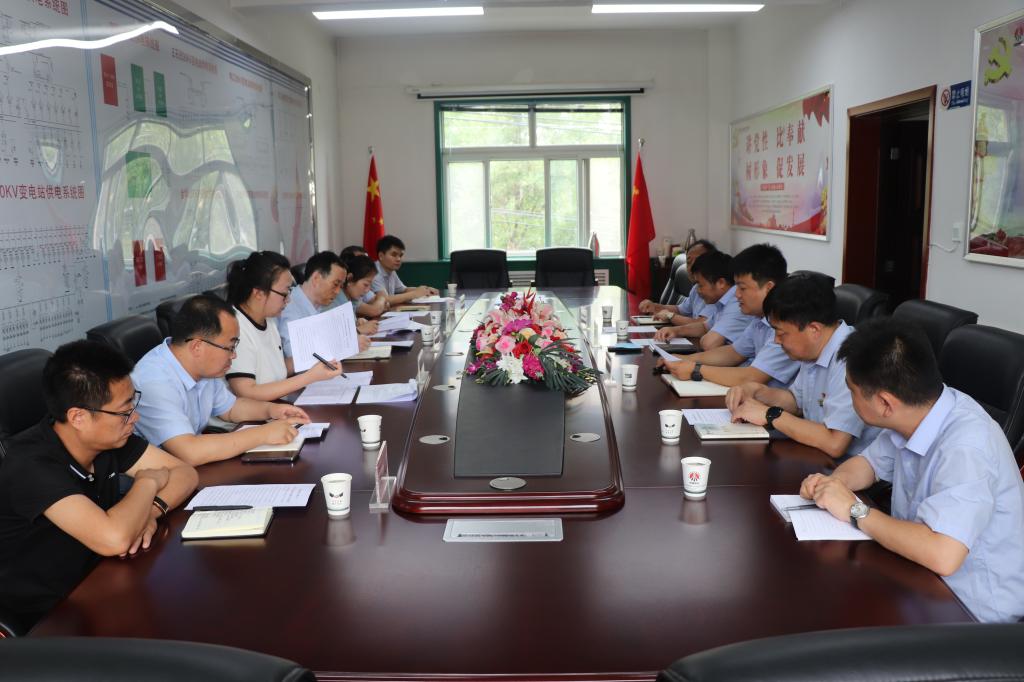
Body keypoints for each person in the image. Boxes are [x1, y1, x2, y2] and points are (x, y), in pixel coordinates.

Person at [799, 318, 1024, 623]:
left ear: (884, 403)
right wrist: (831, 485)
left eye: (851, 391)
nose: (848, 399)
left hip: (973, 613)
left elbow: (943, 555)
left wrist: (854, 509)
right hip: (919, 577)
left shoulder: (967, 446)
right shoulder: (919, 410)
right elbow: (868, 464)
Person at [0, 340, 198, 633]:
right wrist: (146, 482)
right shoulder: (30, 465)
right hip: (47, 620)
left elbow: (184, 472)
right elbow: (114, 538)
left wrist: (150, 512)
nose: (134, 417)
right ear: (78, 417)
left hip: (101, 582)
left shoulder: (107, 437)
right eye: (124, 410)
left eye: (132, 402)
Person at [131, 294, 310, 466]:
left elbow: (230, 409)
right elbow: (190, 452)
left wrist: (271, 410)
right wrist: (263, 434)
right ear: (197, 347)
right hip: (155, 476)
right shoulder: (154, 381)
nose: (234, 355)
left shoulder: (202, 368)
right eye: (230, 347)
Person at [725, 272, 879, 458]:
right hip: (814, 455)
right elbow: (797, 403)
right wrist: (758, 391)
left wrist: (770, 414)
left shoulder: (851, 358)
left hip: (847, 468)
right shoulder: (813, 349)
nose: (776, 340)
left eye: (781, 333)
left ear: (814, 329)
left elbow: (835, 443)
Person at [655, 243, 798, 388]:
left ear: (768, 288)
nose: (736, 295)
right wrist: (682, 359)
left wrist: (695, 369)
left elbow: (751, 377)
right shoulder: (759, 318)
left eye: (742, 288)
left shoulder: (788, 327)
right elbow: (733, 353)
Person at [224, 250, 344, 402]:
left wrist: (312, 360)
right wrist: (309, 377)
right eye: (284, 293)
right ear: (259, 293)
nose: (288, 300)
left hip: (278, 406)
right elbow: (247, 392)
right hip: (258, 413)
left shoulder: (269, 319)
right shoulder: (235, 327)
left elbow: (275, 370)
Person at [279, 253, 372, 364]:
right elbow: (298, 358)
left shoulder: (322, 305)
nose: (337, 292)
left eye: (341, 286)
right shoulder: (288, 306)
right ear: (316, 278)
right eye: (335, 284)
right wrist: (345, 346)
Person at [652, 250, 745, 345]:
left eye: (700, 285)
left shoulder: (736, 302)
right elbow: (704, 327)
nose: (698, 290)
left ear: (721, 283)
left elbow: (709, 343)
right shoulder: (721, 301)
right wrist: (676, 331)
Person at [637, 239, 717, 325]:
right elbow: (680, 310)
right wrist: (654, 306)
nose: (692, 267)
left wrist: (670, 316)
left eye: (698, 261)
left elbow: (702, 324)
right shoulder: (696, 288)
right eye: (689, 262)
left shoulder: (717, 291)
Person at [372, 235, 438, 305]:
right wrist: (415, 294)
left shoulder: (391, 271)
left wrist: (426, 290)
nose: (398, 259)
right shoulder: (373, 272)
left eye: (400, 255)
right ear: (381, 256)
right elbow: (385, 300)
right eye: (394, 255)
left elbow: (404, 290)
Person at [340, 245, 388, 318]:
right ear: (349, 278)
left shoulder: (353, 296)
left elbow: (383, 304)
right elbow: (375, 310)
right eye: (366, 285)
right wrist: (382, 298)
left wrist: (359, 321)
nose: (368, 290)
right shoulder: (341, 298)